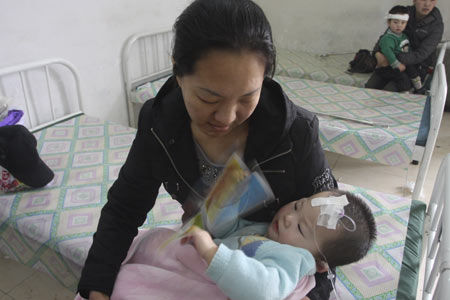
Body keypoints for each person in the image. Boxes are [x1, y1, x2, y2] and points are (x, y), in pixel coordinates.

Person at [78, 0, 337, 299]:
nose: (226, 117)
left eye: (247, 97)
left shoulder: (296, 133)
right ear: (177, 71)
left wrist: (312, 295)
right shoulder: (159, 124)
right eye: (208, 98)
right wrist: (96, 288)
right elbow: (125, 208)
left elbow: (329, 231)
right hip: (205, 254)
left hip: (270, 272)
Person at [179, 190, 377, 300]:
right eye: (298, 205)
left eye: (300, 228)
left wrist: (210, 251)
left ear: (318, 263)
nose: (288, 217)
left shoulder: (293, 260)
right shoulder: (267, 231)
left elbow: (263, 290)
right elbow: (231, 232)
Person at [365, 0, 444, 92]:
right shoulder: (403, 13)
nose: (427, 4)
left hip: (415, 69)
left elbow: (421, 54)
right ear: (414, 0)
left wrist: (394, 57)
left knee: (388, 92)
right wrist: (377, 53)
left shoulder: (436, 25)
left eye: (432, 0)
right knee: (369, 88)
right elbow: (386, 37)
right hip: (391, 63)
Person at [371, 6, 423, 92]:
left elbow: (407, 48)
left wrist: (408, 59)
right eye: (395, 22)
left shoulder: (403, 36)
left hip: (402, 61)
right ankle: (404, 92)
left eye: (403, 23)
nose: (399, 25)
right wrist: (396, 64)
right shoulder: (387, 38)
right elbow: (388, 52)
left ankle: (418, 85)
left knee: (412, 70)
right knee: (401, 78)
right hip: (389, 66)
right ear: (389, 22)